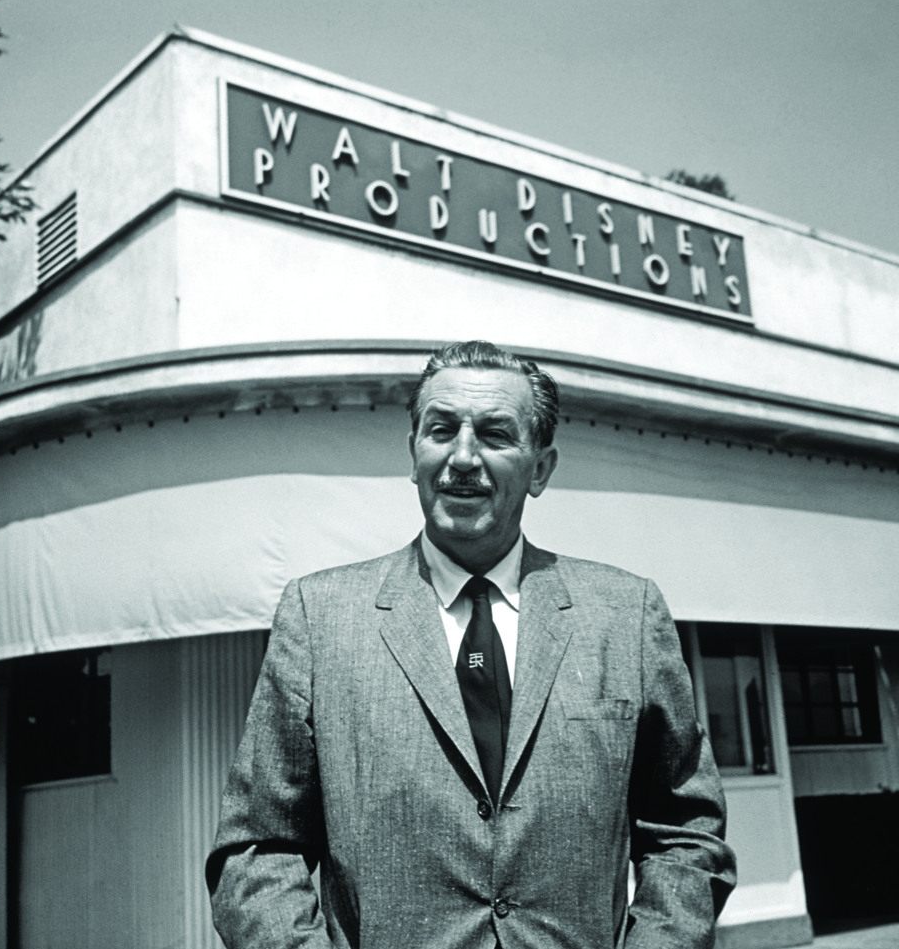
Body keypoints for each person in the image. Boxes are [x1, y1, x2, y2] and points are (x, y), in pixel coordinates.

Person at [207, 340, 736, 949]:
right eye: (441, 430)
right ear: (413, 455)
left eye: (494, 434)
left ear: (540, 468)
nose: (462, 456)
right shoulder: (319, 617)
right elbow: (257, 849)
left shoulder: (626, 614)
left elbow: (686, 830)